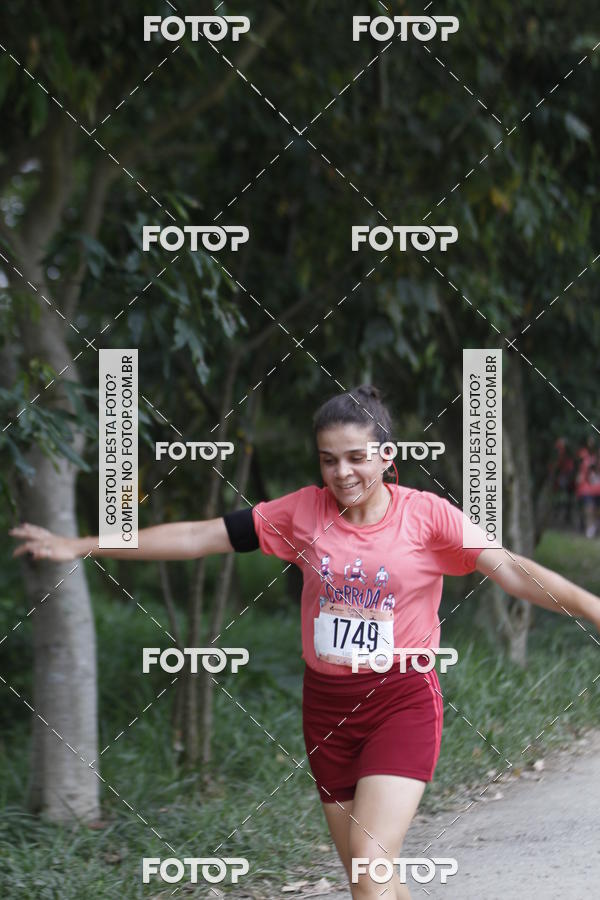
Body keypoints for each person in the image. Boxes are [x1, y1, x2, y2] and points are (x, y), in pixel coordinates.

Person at [10, 384, 600, 899]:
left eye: (356, 458)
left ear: (387, 455)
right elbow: (197, 535)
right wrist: (80, 545)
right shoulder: (300, 514)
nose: (342, 473)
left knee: (370, 872)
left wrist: (592, 608)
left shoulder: (428, 518)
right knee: (371, 879)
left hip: (402, 700)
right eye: (328, 460)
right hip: (327, 709)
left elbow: (515, 570)